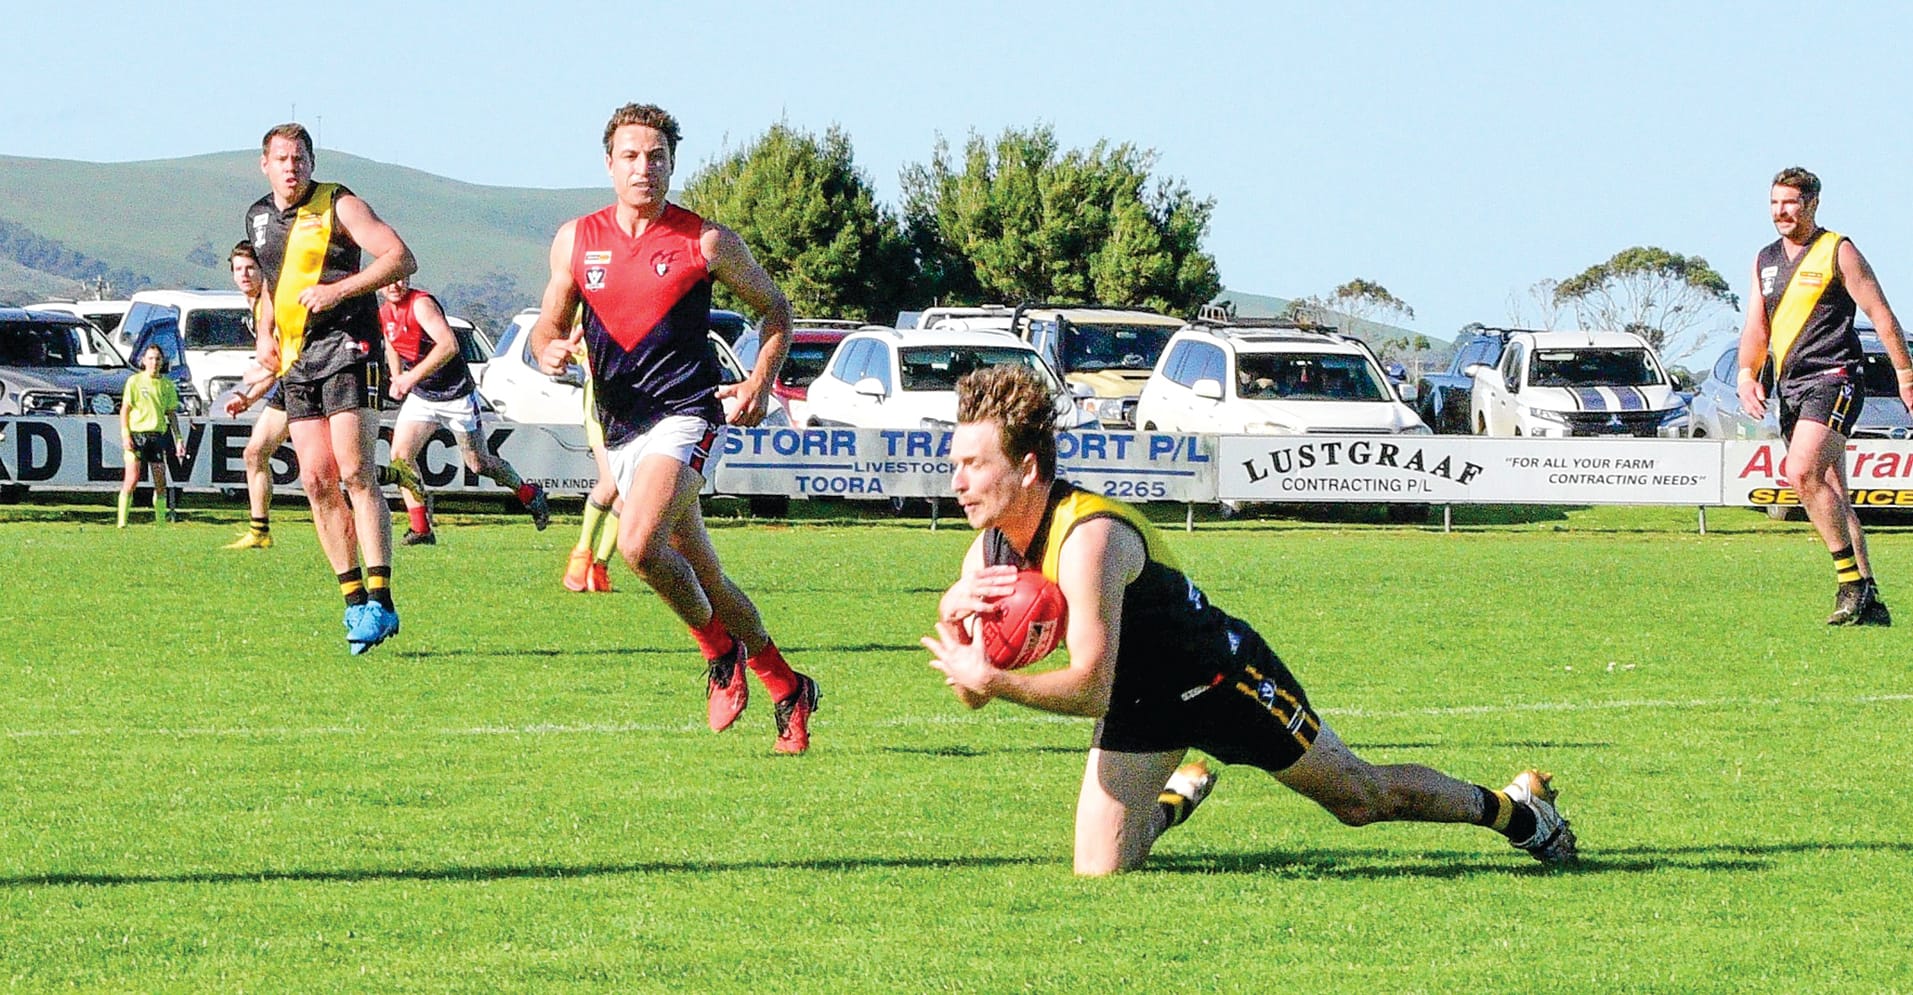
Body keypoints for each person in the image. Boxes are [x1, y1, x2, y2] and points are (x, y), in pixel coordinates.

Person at [921, 365, 1578, 875]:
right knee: (1099, 869)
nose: (956, 480)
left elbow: (1087, 685)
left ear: (1027, 466)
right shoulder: (986, 552)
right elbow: (974, 692)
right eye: (954, 464)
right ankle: (1177, 794)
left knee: (1360, 799)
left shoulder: (1088, 537)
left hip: (1220, 677)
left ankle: (1513, 810)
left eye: (973, 464)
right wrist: (959, 638)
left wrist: (990, 676)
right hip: (1141, 700)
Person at [529, 102, 816, 752]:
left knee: (636, 545)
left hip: (687, 417)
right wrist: (545, 347)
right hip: (624, 428)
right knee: (704, 578)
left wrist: (759, 380)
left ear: (671, 165)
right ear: (609, 164)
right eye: (630, 156)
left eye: (656, 157)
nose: (643, 168)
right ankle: (788, 687)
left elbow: (775, 309)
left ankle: (719, 653)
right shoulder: (577, 240)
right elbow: (548, 325)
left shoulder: (705, 241)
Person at [245, 122, 416, 654]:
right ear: (265, 165)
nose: (291, 166)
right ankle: (355, 603)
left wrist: (338, 289)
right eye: (281, 158)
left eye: (300, 158)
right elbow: (274, 284)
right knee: (316, 480)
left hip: (349, 347)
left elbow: (399, 258)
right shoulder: (257, 218)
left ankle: (384, 600)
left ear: (312, 163)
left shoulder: (340, 204)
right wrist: (267, 340)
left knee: (355, 470)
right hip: (299, 359)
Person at [1736, 167, 1913, 626]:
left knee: (1801, 472)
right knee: (1831, 491)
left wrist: (1905, 377)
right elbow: (1757, 327)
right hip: (1790, 387)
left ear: (1812, 204)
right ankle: (1870, 601)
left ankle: (1849, 582)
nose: (1781, 211)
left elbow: (1881, 313)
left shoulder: (1839, 251)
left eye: (1790, 202)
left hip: (1835, 379)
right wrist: (1745, 374)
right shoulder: (1764, 260)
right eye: (1775, 202)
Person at [223, 242, 427, 551]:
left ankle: (392, 476)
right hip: (291, 382)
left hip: (310, 380)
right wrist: (251, 396)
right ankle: (260, 530)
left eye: (251, 268)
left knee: (339, 469)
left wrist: (254, 389)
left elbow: (281, 361)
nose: (245, 275)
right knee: (255, 453)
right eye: (239, 269)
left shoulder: (275, 302)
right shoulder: (255, 306)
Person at [378, 276, 548, 545]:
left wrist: (410, 378)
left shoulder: (421, 304)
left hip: (455, 394)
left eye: (401, 279)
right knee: (400, 457)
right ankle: (421, 528)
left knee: (478, 464)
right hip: (423, 397)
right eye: (389, 280)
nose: (395, 285)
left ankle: (528, 493)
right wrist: (397, 376)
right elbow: (391, 342)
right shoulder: (385, 311)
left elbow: (449, 345)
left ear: (409, 278)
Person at [564, 342, 622, 593]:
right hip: (604, 399)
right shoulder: (591, 304)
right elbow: (568, 339)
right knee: (611, 482)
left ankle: (600, 568)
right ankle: (582, 552)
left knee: (629, 491)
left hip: (645, 402)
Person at [117, 344, 187, 528]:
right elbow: (125, 410)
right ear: (143, 361)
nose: (154, 362)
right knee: (131, 479)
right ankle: (122, 522)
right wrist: (126, 435)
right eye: (150, 358)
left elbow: (171, 413)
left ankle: (161, 523)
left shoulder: (166, 384)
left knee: (160, 481)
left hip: (157, 436)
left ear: (162, 361)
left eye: (157, 358)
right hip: (137, 434)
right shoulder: (134, 382)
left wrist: (178, 438)